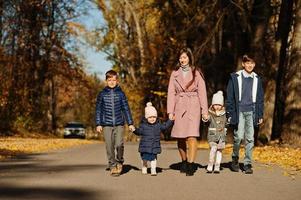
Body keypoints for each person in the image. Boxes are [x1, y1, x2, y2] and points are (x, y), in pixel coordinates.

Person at [167, 47, 209, 176]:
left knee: (192, 135)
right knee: (180, 136)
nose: (182, 60)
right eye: (180, 58)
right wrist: (170, 111)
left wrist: (205, 111)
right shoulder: (174, 74)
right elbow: (171, 93)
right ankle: (184, 161)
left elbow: (202, 92)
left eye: (184, 57)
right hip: (179, 106)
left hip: (193, 106)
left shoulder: (197, 72)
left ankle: (191, 164)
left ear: (189, 58)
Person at [226, 54, 264, 174]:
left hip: (251, 111)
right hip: (239, 110)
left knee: (250, 139)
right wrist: (230, 113)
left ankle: (247, 163)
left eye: (252, 63)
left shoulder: (257, 79)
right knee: (238, 137)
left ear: (254, 65)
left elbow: (260, 98)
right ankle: (235, 159)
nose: (250, 65)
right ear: (243, 64)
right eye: (247, 63)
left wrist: (260, 114)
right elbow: (230, 97)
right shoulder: (235, 77)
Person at [95, 70, 135, 176]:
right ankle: (112, 165)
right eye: (109, 80)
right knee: (109, 146)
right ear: (106, 81)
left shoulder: (121, 94)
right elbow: (98, 109)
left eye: (114, 80)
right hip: (106, 124)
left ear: (117, 81)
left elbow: (126, 108)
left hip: (119, 123)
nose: (112, 82)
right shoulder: (102, 94)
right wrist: (98, 123)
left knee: (119, 144)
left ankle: (120, 161)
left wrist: (130, 123)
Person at [132, 102, 174, 176]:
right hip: (145, 146)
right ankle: (144, 166)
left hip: (154, 145)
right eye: (150, 117)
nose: (152, 119)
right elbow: (139, 132)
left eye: (154, 117)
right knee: (144, 158)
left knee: (153, 158)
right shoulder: (143, 125)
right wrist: (134, 129)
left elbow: (165, 126)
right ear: (146, 118)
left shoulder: (158, 125)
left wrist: (170, 121)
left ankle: (153, 169)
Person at [206, 91, 227, 174]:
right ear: (212, 105)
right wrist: (205, 118)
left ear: (222, 105)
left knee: (219, 151)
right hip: (213, 135)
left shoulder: (224, 114)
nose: (217, 106)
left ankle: (217, 165)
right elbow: (207, 120)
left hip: (221, 135)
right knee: (213, 149)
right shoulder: (210, 113)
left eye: (219, 105)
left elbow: (227, 123)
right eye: (215, 104)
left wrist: (228, 121)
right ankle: (210, 164)